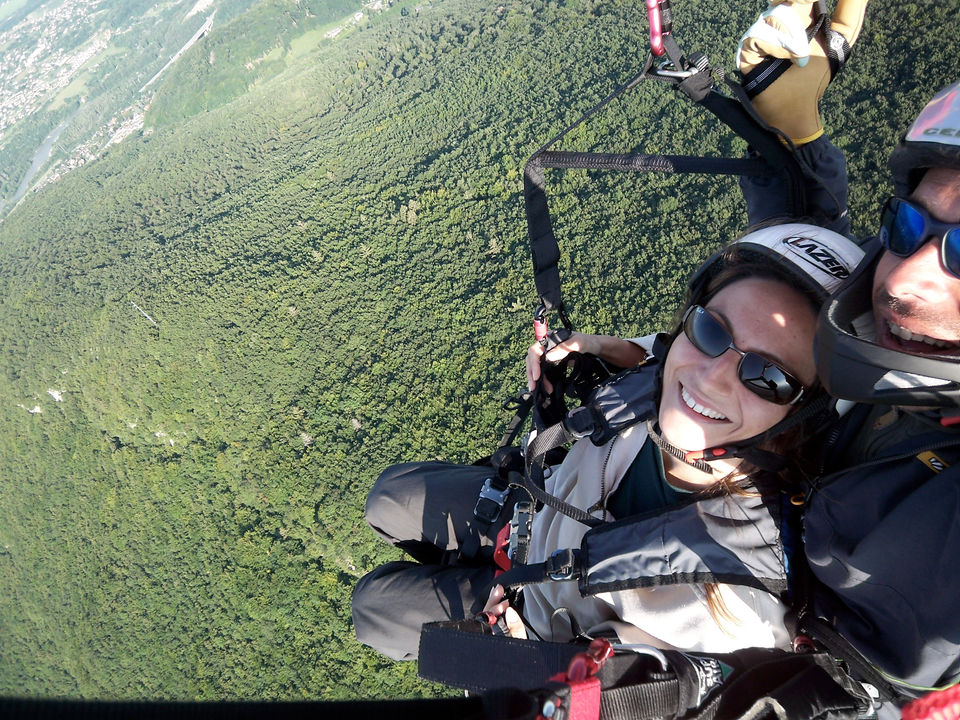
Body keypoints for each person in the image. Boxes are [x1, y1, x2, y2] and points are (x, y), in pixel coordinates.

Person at [352, 222, 863, 661]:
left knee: (373, 609)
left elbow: (646, 687)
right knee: (388, 496)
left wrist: (530, 664)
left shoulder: (735, 600)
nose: (711, 378)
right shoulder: (664, 380)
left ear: (803, 417)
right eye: (712, 330)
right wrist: (592, 349)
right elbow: (658, 355)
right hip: (539, 508)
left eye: (767, 377)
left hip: (531, 617)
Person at [732, 1, 960, 714]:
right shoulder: (887, 335)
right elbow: (817, 271)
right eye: (908, 225)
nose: (903, 277)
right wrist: (793, 143)